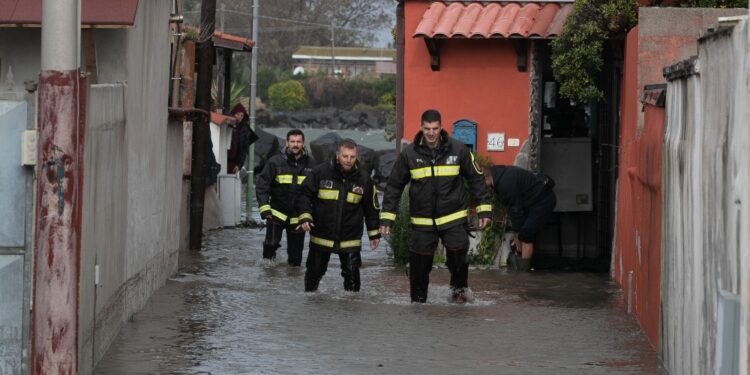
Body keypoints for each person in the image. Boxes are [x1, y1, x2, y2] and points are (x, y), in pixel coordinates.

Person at [379, 109, 492, 303]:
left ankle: (459, 293)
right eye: (427, 128)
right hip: (422, 221)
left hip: (453, 217)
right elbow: (394, 187)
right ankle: (418, 302)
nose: (431, 133)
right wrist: (387, 218)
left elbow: (476, 179)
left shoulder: (459, 150)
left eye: (435, 128)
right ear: (421, 127)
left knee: (459, 256)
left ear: (441, 127)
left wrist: (484, 209)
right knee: (419, 265)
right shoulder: (409, 154)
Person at [296, 139, 381, 292]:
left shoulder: (364, 178)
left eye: (352, 157)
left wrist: (374, 234)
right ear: (337, 155)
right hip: (322, 233)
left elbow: (371, 207)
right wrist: (305, 216)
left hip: (350, 236)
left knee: (352, 276)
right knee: (314, 274)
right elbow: (303, 195)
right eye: (345, 156)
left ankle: (351, 311)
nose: (348, 160)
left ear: (357, 157)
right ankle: (310, 307)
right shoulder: (320, 172)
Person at [256, 129, 315, 266]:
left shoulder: (311, 165)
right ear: (286, 142)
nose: (295, 144)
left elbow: (315, 191)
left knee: (295, 258)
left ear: (303, 143)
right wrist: (265, 209)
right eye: (292, 141)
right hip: (276, 213)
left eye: (298, 142)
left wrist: (311, 214)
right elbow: (262, 186)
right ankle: (268, 276)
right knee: (271, 245)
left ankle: (292, 284)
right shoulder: (274, 162)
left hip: (298, 216)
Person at [484, 165, 557, 271]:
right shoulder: (498, 175)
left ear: (486, 178)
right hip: (532, 201)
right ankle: (521, 263)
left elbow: (515, 210)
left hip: (543, 200)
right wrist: (516, 233)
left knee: (526, 235)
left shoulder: (504, 183)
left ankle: (524, 272)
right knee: (521, 234)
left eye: (480, 184)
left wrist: (518, 233)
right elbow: (514, 209)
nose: (480, 188)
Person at [228, 103, 258, 174]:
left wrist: (239, 165)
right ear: (233, 114)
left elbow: (244, 150)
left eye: (242, 115)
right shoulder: (226, 126)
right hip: (223, 159)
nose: (239, 117)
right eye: (238, 114)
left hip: (234, 163)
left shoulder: (244, 130)